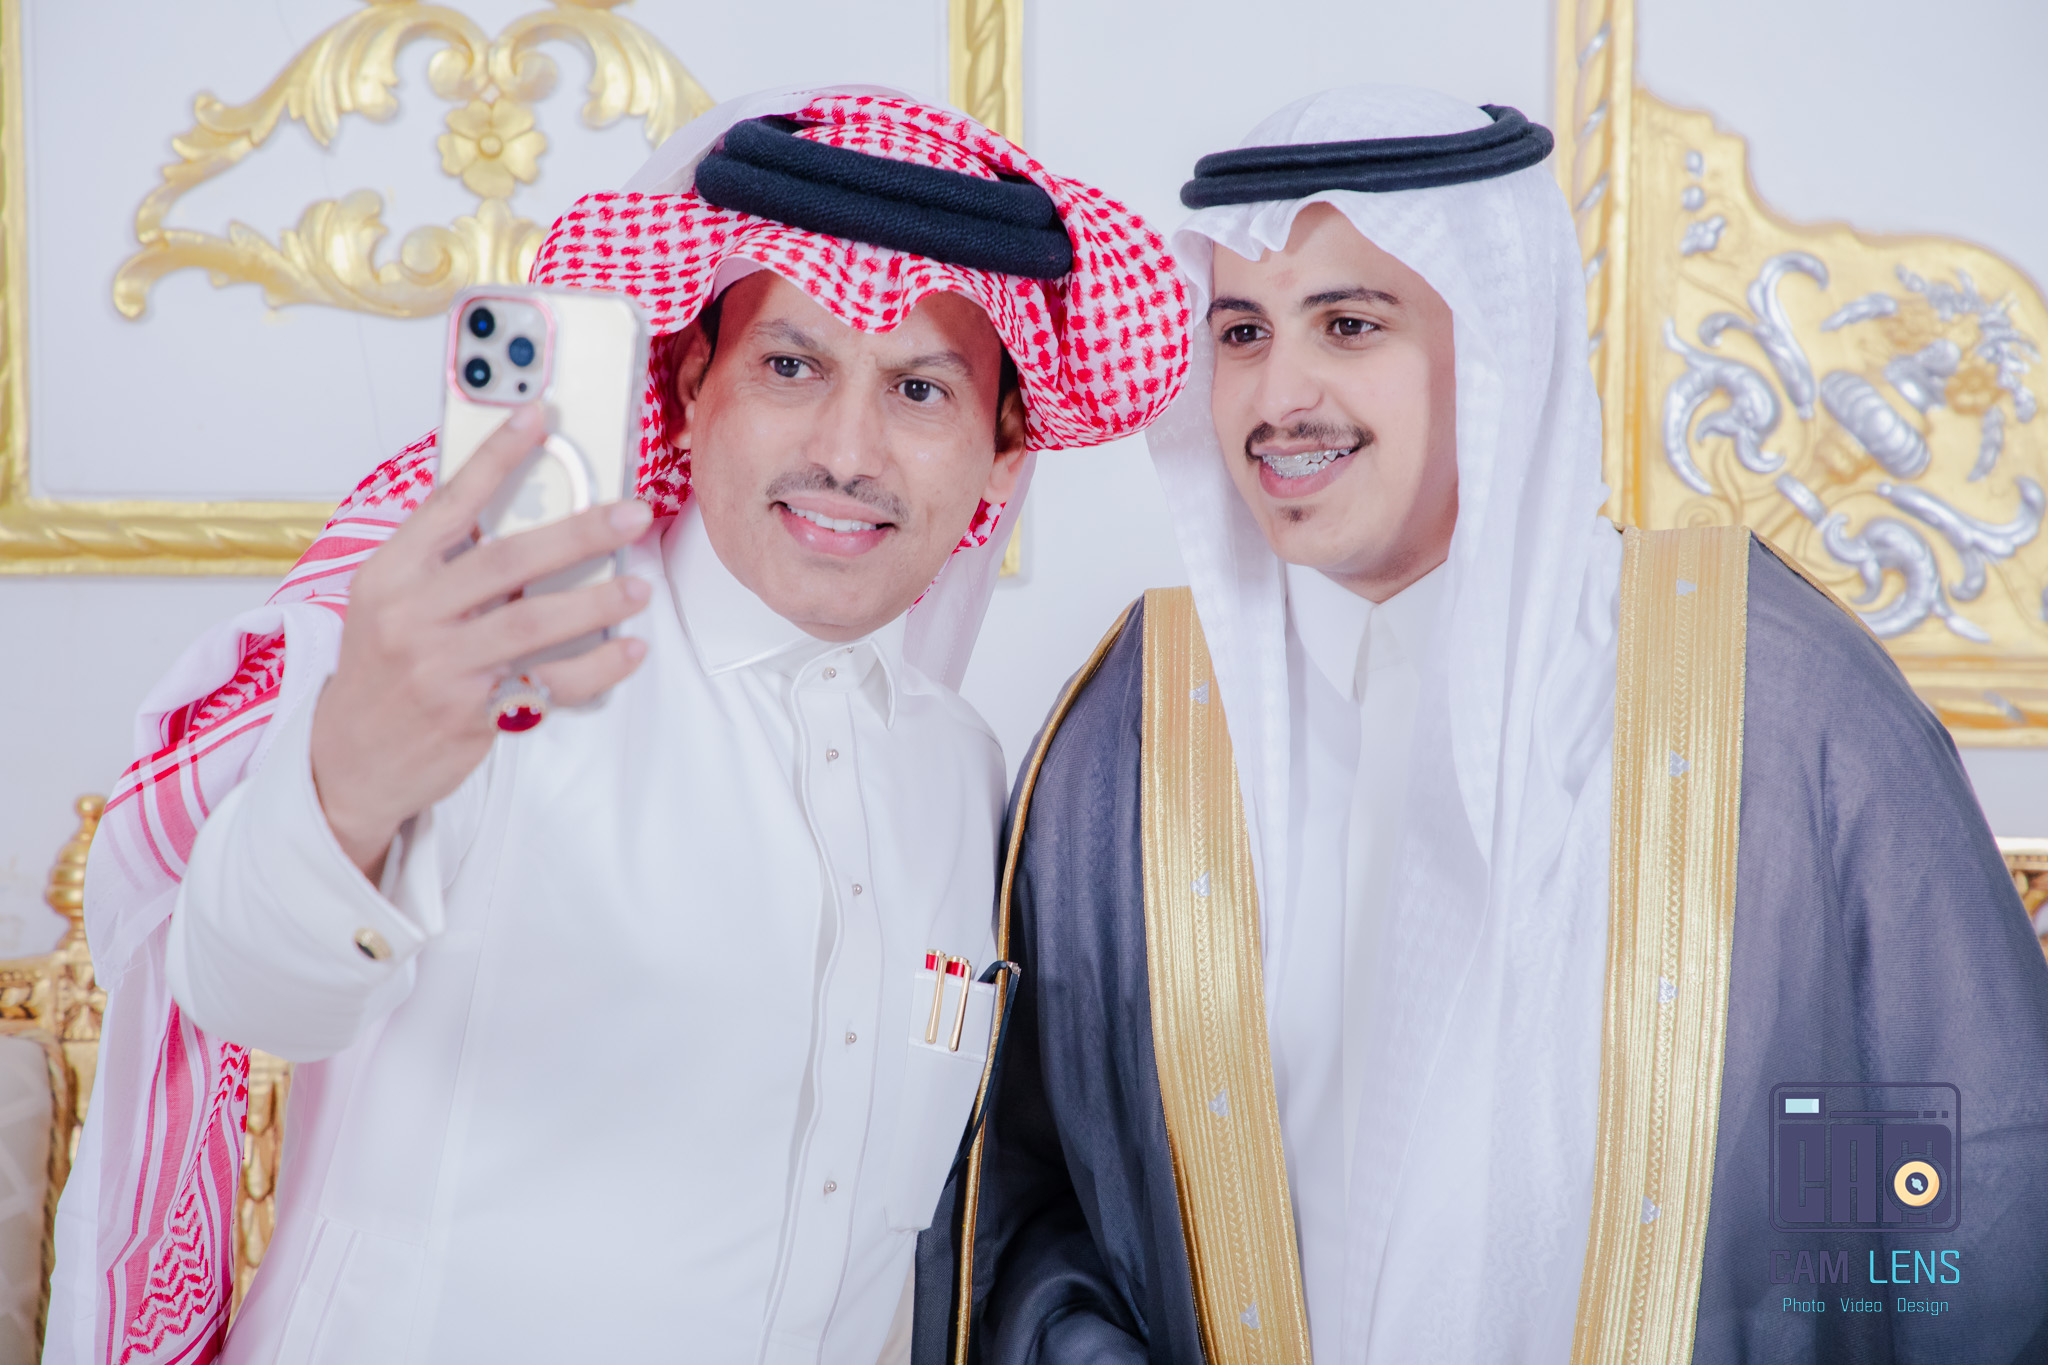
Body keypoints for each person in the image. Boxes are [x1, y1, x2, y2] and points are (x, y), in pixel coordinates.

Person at [51, 86, 1188, 1365]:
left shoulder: (962, 773)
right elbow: (254, 987)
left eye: (919, 390)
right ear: (692, 386)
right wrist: (349, 775)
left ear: (1002, 451)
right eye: (791, 365)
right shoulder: (503, 666)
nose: (848, 450)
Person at [918, 87, 2048, 1364]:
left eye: (1349, 324)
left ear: (1496, 348)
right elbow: (1035, 1203)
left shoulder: (1766, 700)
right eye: (1239, 332)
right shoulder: (1139, 724)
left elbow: (1950, 1188)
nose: (1277, 395)